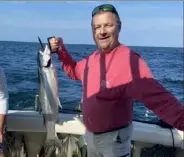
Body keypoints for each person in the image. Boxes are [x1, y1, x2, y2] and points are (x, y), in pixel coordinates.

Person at [49, 4, 184, 157]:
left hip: (114, 142)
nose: (102, 31)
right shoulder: (91, 60)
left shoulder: (130, 61)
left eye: (108, 25)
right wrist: (60, 50)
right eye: (97, 27)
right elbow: (73, 71)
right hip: (90, 136)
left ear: (119, 27)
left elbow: (161, 101)